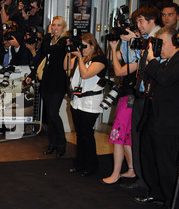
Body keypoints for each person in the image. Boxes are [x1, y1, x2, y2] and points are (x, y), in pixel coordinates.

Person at [133, 27, 179, 209]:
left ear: (172, 42)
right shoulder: (167, 61)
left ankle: (172, 203)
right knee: (149, 157)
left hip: (170, 123)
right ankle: (156, 192)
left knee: (166, 163)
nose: (157, 47)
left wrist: (152, 60)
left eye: (159, 43)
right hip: (153, 117)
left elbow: (166, 79)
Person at [118, 4, 161, 189]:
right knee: (137, 136)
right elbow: (130, 61)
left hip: (155, 96)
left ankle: (151, 182)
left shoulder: (162, 38)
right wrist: (129, 41)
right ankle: (141, 177)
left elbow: (156, 63)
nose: (139, 24)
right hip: (140, 92)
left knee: (149, 140)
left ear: (152, 20)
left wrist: (138, 40)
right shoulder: (143, 39)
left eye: (141, 20)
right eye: (136, 21)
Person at [64, 33, 107, 177]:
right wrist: (69, 50)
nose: (82, 49)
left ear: (93, 46)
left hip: (91, 102)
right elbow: (66, 66)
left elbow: (86, 74)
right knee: (80, 134)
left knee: (87, 134)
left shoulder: (100, 59)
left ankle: (92, 165)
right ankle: (79, 163)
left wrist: (80, 58)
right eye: (80, 46)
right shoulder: (79, 58)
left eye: (84, 46)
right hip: (77, 101)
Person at [26, 16, 69, 157]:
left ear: (63, 27)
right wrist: (32, 75)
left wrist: (49, 37)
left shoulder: (64, 42)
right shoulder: (50, 41)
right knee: (49, 116)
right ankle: (53, 144)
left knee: (53, 113)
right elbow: (41, 56)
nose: (55, 28)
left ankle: (61, 144)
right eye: (53, 25)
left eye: (58, 25)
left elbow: (53, 52)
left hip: (58, 83)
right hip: (46, 81)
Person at [100, 39, 138, 185]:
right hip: (125, 97)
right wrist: (115, 46)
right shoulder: (129, 52)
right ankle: (131, 169)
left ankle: (115, 174)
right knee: (126, 138)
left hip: (130, 99)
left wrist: (119, 48)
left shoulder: (138, 58)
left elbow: (118, 70)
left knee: (117, 136)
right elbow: (111, 57)